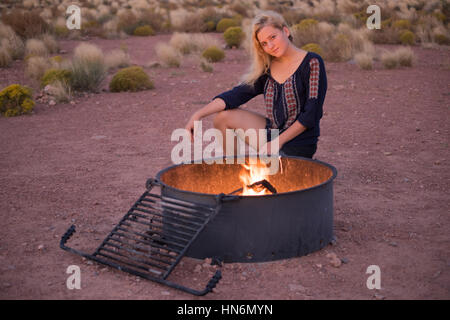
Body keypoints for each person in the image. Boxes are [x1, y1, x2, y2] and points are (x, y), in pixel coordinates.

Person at [185, 10, 327, 159]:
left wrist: (277, 142)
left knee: (278, 177)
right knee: (223, 117)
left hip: (299, 143)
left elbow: (311, 115)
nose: (271, 45)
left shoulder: (312, 62)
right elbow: (235, 96)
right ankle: (235, 170)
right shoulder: (267, 68)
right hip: (272, 136)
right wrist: (198, 115)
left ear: (285, 30)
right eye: (264, 43)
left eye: (273, 37)